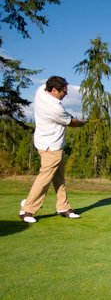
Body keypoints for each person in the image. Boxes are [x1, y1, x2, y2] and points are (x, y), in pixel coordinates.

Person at [19, 76, 86, 223]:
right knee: (45, 178)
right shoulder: (55, 108)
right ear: (54, 90)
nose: (66, 94)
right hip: (51, 147)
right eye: (64, 91)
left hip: (47, 143)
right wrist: (81, 123)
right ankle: (27, 209)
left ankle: (63, 206)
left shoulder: (40, 91)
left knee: (58, 177)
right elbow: (72, 123)